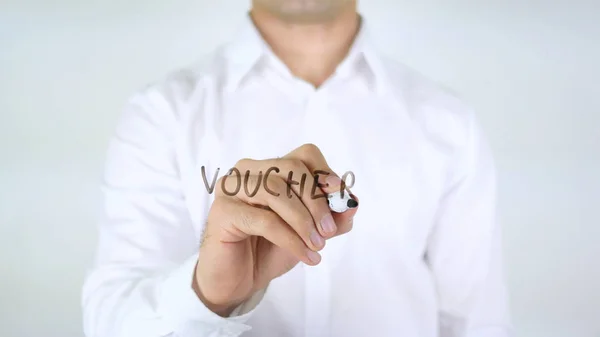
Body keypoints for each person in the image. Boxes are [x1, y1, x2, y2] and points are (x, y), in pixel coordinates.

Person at [81, 0, 513, 336]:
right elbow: (110, 319)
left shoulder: (450, 124)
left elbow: (477, 322)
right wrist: (207, 295)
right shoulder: (161, 115)